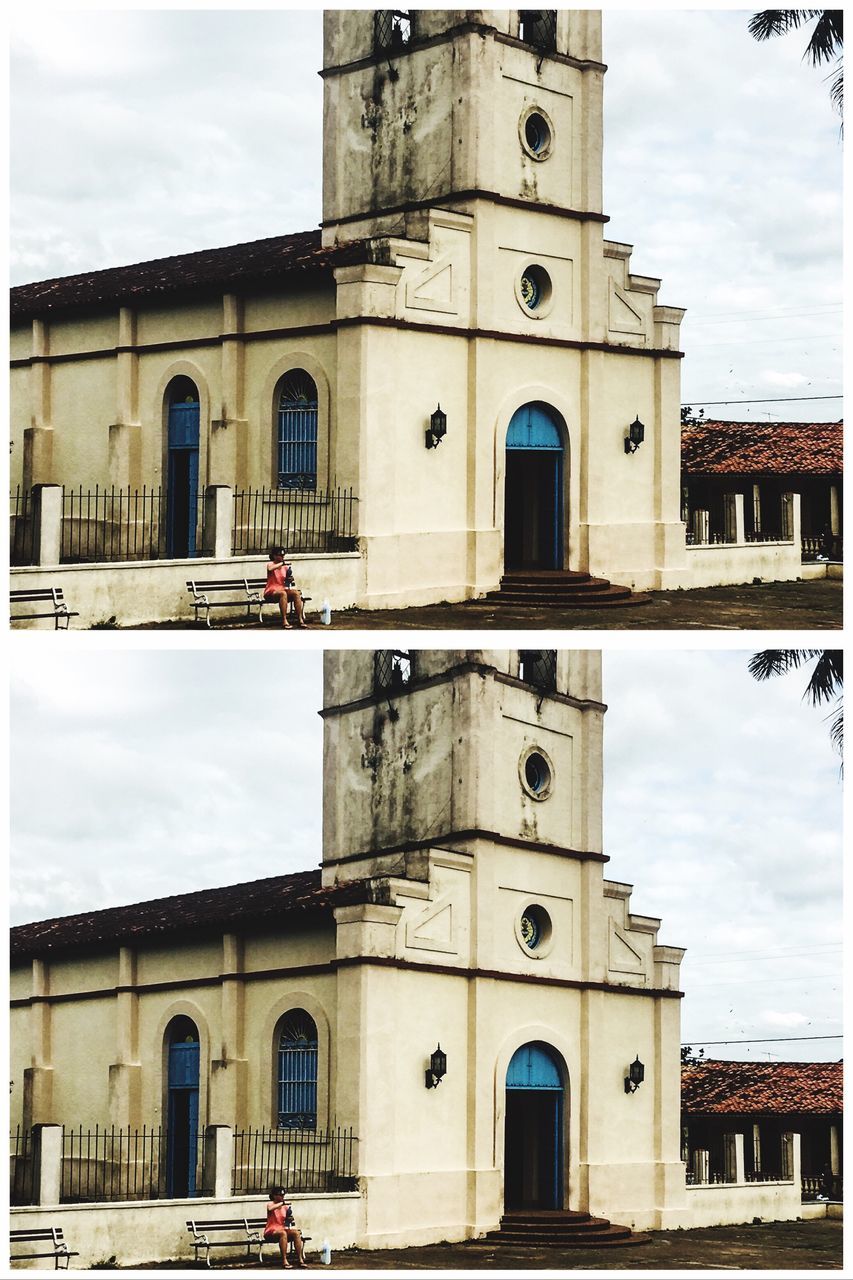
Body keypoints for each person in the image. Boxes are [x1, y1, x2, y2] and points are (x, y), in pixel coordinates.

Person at [264, 1186, 309, 1268]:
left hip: (281, 1229)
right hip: (271, 1231)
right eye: (280, 1195)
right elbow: (270, 1209)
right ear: (274, 1196)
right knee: (283, 1233)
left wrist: (289, 1219)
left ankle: (300, 1259)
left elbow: (287, 1219)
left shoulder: (285, 1207)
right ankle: (284, 1260)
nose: (282, 1197)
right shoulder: (271, 1204)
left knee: (296, 1233)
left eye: (283, 1195)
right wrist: (282, 1203)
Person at [265, 547, 309, 628]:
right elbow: (270, 569)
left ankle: (300, 619)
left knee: (296, 593)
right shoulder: (271, 564)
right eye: (280, 555)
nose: (282, 557)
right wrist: (282, 563)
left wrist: (290, 579)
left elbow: (286, 581)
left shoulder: (285, 568)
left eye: (283, 555)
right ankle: (284, 620)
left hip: (282, 590)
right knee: (283, 593)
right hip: (271, 592)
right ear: (274, 556)